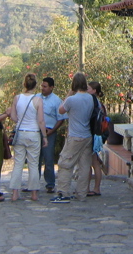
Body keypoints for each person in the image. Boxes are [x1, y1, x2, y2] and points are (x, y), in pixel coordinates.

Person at [50, 72, 94, 204]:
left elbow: (61, 110)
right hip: (87, 136)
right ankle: (81, 193)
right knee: (84, 166)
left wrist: (69, 93)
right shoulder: (90, 98)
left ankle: (63, 193)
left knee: (65, 163)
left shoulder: (71, 100)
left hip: (75, 136)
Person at [8, 73, 48, 201]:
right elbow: (41, 120)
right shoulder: (38, 100)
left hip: (20, 133)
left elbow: (14, 117)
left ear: (24, 84)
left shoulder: (17, 98)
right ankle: (34, 193)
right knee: (33, 164)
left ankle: (15, 193)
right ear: (35, 86)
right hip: (34, 133)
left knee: (18, 163)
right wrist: (45, 136)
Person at [38, 76, 67, 194]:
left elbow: (61, 118)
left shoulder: (56, 101)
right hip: (37, 131)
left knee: (48, 158)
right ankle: (33, 183)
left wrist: (53, 130)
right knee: (35, 159)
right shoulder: (36, 98)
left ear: (51, 87)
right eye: (42, 86)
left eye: (45, 86)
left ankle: (50, 184)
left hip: (49, 132)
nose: (43, 88)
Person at [87, 81, 106, 197]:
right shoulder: (100, 104)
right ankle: (93, 187)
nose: (86, 90)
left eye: (88, 88)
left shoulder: (93, 103)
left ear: (94, 90)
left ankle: (95, 188)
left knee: (93, 163)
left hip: (91, 135)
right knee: (93, 162)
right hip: (97, 135)